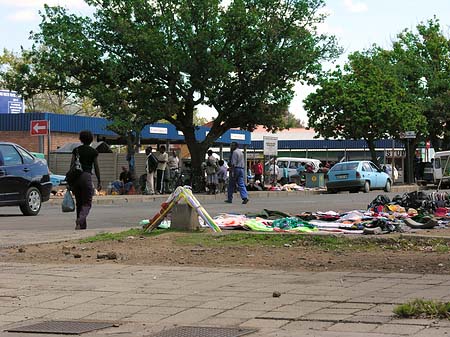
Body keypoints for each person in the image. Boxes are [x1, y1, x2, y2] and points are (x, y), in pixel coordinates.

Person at [70, 130, 101, 230]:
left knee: (79, 202)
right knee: (87, 202)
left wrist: (70, 181)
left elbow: (71, 166)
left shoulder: (76, 150)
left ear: (80, 139)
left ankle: (81, 226)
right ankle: (81, 219)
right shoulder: (93, 152)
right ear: (91, 139)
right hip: (86, 177)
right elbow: (96, 167)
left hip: (76, 178)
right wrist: (99, 181)